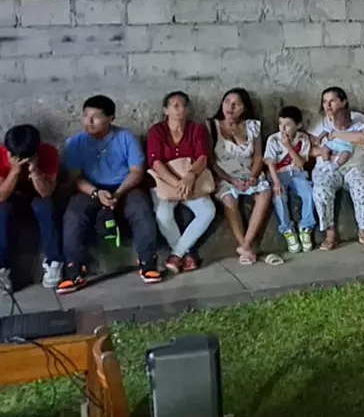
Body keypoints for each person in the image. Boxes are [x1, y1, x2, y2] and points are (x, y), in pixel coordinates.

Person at [58, 95, 162, 292]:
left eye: (95, 117)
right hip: (90, 189)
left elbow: (137, 171)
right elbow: (75, 178)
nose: (88, 122)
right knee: (74, 214)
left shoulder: (125, 138)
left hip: (125, 187)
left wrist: (119, 193)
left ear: (110, 119)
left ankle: (148, 262)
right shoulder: (75, 143)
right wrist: (96, 193)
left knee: (141, 208)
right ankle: (74, 270)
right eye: (85, 116)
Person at [145, 91, 215, 273]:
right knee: (163, 215)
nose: (180, 109)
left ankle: (176, 255)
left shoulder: (196, 129)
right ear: (166, 110)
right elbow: (156, 162)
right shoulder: (156, 131)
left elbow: (202, 157)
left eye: (184, 105)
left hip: (191, 182)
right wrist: (177, 183)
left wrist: (190, 176)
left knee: (208, 211)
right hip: (166, 183)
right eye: (175, 106)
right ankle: (187, 255)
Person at [209, 88, 275, 265]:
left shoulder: (253, 126)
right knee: (229, 200)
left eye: (236, 104)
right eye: (226, 102)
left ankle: (246, 245)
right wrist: (230, 180)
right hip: (225, 175)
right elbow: (211, 161)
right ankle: (244, 245)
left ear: (244, 108)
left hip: (248, 173)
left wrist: (253, 176)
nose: (230, 107)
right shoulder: (212, 126)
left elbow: (258, 156)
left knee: (265, 193)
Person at [310, 87, 364, 249]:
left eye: (332, 101)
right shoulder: (319, 123)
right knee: (320, 191)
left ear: (344, 102)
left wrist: (337, 134)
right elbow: (310, 149)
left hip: (355, 166)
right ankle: (330, 232)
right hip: (327, 167)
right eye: (325, 102)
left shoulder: (356, 118)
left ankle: (363, 230)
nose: (328, 105)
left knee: (363, 190)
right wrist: (327, 152)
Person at [0, 124, 60, 290]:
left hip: (36, 199)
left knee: (45, 206)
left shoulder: (48, 153)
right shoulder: (1, 155)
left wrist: (34, 171)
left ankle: (53, 262)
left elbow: (46, 193)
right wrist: (14, 171)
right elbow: (1, 196)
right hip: (11, 201)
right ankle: (1, 268)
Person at [263, 105, 315, 253]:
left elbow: (300, 164)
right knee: (279, 197)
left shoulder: (303, 139)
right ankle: (287, 230)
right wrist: (276, 183)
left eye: (287, 124)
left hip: (297, 173)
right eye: (280, 123)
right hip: (278, 174)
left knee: (309, 192)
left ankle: (306, 227)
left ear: (298, 125)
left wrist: (289, 147)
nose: (283, 128)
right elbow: (270, 163)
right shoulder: (273, 139)